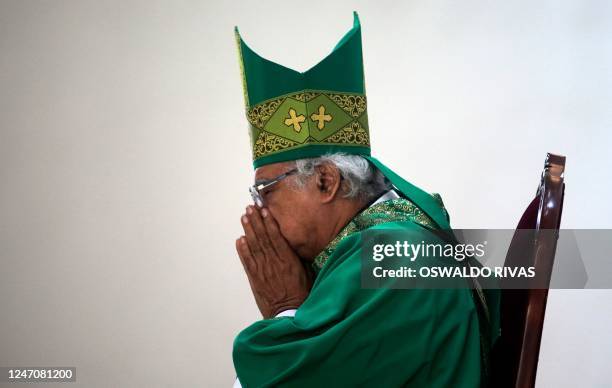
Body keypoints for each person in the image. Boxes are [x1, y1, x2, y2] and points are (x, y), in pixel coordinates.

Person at [231, 12, 500, 387]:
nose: (259, 210)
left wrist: (284, 310)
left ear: (325, 181)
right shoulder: (378, 245)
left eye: (267, 190)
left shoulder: (390, 256)